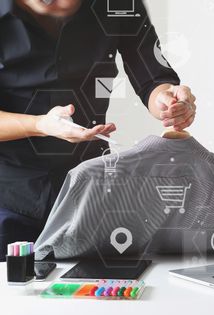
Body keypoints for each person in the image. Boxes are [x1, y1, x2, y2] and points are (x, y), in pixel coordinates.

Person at [0, 0, 197, 260]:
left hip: (91, 194)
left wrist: (168, 101)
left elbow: (152, 76)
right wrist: (40, 125)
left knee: (95, 293)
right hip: (9, 193)